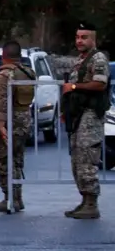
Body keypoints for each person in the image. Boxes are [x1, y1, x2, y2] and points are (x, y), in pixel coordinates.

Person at [62, 22, 110, 219]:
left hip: (90, 115)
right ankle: (84, 200)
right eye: (77, 37)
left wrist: (73, 88)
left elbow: (100, 83)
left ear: (93, 39)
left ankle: (91, 203)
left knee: (86, 157)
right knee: (77, 159)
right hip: (79, 114)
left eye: (84, 37)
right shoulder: (81, 60)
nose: (79, 41)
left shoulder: (98, 58)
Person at [0, 41, 35, 212]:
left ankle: (10, 198)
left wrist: (0, 125)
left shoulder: (4, 75)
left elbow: (2, 102)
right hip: (25, 119)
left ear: (4, 55)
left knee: (3, 159)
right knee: (17, 159)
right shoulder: (28, 72)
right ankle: (17, 198)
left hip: (9, 121)